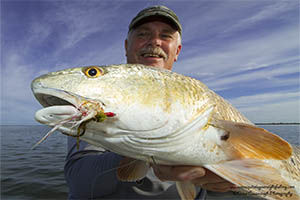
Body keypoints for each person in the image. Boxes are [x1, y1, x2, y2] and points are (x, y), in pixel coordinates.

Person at [64, 5, 236, 199]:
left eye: (165, 36)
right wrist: (143, 144)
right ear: (126, 46)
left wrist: (229, 179)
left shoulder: (202, 99)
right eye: (143, 34)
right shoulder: (99, 97)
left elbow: (235, 179)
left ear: (177, 50)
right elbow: (80, 183)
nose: (154, 41)